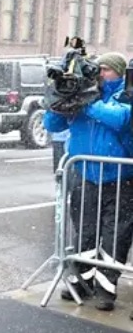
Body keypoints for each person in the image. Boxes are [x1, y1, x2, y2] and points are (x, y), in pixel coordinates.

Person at [44, 52, 133, 312]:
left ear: (119, 73)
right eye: (99, 69)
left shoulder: (124, 95)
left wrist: (85, 101)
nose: (101, 74)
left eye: (107, 69)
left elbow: (120, 119)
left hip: (120, 179)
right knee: (85, 231)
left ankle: (106, 289)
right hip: (85, 176)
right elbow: (52, 124)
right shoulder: (84, 93)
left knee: (115, 236)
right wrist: (60, 97)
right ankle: (81, 283)